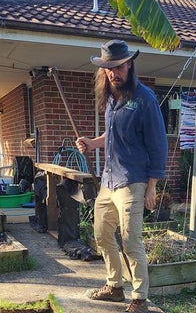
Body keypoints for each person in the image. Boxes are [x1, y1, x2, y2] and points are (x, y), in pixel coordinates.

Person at [77, 40, 168, 313]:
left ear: (129, 64)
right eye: (108, 68)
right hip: (109, 179)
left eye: (118, 66)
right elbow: (112, 137)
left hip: (134, 180)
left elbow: (158, 145)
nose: (114, 73)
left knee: (130, 240)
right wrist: (92, 143)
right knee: (102, 234)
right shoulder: (111, 101)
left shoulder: (145, 99)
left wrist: (152, 187)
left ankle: (139, 298)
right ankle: (115, 287)